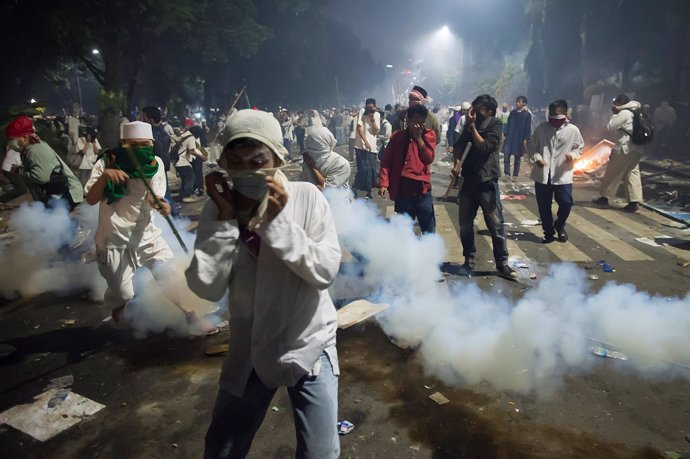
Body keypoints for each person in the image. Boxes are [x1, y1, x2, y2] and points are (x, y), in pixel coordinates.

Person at [186, 109, 341, 459]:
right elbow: (206, 287)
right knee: (222, 450)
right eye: (236, 161)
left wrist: (277, 224)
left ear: (278, 159)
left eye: (257, 159)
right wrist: (225, 220)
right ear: (224, 162)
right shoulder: (218, 209)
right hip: (250, 348)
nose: (246, 171)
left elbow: (323, 272)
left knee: (320, 453)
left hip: (309, 342)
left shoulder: (306, 197)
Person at [84, 121, 216, 334]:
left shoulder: (155, 164)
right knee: (124, 294)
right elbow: (90, 199)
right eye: (133, 145)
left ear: (152, 144)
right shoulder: (107, 162)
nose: (138, 150)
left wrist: (161, 205)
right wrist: (106, 175)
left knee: (169, 277)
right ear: (123, 143)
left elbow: (153, 198)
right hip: (114, 238)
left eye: (144, 144)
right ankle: (119, 303)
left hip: (147, 235)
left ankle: (191, 316)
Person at [452, 95, 517, 280]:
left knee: (496, 224)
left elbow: (484, 147)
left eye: (478, 108)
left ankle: (502, 263)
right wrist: (456, 164)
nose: (473, 111)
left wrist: (472, 127)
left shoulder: (495, 124)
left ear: (488, 110)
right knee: (465, 223)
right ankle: (469, 260)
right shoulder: (468, 123)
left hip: (487, 181)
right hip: (468, 181)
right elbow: (459, 145)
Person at [529, 100, 584, 243]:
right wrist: (537, 158)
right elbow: (532, 146)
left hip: (562, 174)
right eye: (551, 115)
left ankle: (559, 225)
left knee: (566, 202)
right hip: (543, 174)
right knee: (544, 205)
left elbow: (579, 147)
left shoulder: (573, 130)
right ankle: (548, 231)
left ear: (566, 115)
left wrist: (571, 156)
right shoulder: (542, 128)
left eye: (557, 116)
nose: (554, 119)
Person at [379, 103, 437, 234]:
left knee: (429, 229)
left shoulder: (429, 135)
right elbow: (386, 161)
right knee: (403, 231)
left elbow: (428, 158)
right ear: (408, 121)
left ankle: (431, 253)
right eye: (415, 121)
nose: (419, 125)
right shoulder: (397, 137)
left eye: (422, 122)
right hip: (403, 190)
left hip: (422, 190)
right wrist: (383, 182)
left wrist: (418, 139)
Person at [5, 115, 83, 210]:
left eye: (12, 139)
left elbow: (41, 177)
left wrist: (19, 171)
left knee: (55, 222)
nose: (10, 143)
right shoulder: (30, 148)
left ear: (24, 138)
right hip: (60, 192)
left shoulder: (35, 150)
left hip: (66, 192)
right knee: (55, 221)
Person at [592, 94, 645, 213]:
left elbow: (610, 127)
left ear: (620, 102)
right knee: (632, 174)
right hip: (637, 149)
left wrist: (615, 114)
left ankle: (604, 198)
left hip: (624, 148)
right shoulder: (637, 111)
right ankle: (634, 203)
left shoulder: (624, 113)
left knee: (612, 173)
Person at [142, 106, 178, 217]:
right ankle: (174, 217)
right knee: (165, 192)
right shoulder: (164, 132)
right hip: (164, 165)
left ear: (150, 119)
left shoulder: (150, 134)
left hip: (154, 167)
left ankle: (173, 217)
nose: (142, 120)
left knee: (159, 194)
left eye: (144, 118)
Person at [353, 98, 380, 199]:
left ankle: (368, 191)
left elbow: (376, 131)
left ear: (375, 107)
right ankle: (356, 188)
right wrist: (365, 141)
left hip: (372, 147)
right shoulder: (362, 112)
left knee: (372, 170)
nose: (369, 109)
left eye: (371, 107)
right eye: (368, 107)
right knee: (363, 169)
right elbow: (359, 127)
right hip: (361, 146)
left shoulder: (377, 115)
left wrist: (372, 119)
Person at [503, 96, 532, 181]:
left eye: (519, 102)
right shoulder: (512, 113)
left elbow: (528, 128)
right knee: (506, 155)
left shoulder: (527, 115)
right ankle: (507, 173)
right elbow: (508, 124)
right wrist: (505, 134)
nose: (517, 103)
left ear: (524, 103)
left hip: (519, 138)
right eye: (517, 101)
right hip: (510, 137)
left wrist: (526, 138)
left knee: (517, 157)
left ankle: (515, 175)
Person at [175, 127, 206, 203]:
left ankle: (181, 196)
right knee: (190, 178)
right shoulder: (191, 138)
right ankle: (186, 196)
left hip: (178, 161)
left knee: (185, 180)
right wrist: (201, 156)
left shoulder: (184, 136)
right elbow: (192, 150)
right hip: (183, 162)